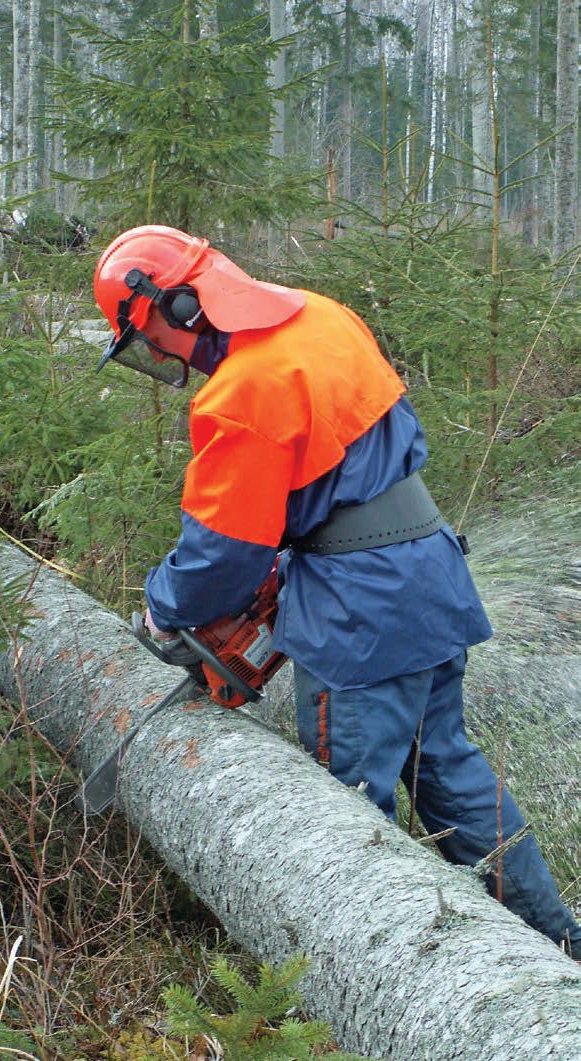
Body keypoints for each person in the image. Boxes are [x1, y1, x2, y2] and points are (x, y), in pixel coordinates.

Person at [93, 224, 580, 958]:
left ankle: (369, 983)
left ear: (181, 304)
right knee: (447, 763)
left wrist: (165, 607)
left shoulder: (242, 392)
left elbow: (221, 556)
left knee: (349, 816)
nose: (162, 354)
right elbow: (336, 472)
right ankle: (557, 941)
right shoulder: (322, 317)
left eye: (152, 335)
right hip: (429, 570)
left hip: (359, 613)